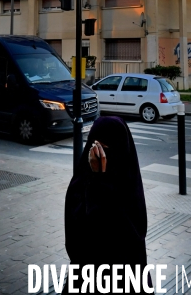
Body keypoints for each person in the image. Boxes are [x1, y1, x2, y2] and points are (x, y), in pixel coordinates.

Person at [62, 116, 152, 294]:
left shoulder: (128, 185)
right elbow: (77, 240)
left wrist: (101, 182)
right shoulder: (81, 182)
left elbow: (129, 236)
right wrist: (97, 180)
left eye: (105, 149)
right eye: (95, 148)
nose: (98, 155)